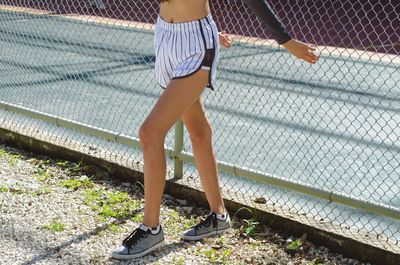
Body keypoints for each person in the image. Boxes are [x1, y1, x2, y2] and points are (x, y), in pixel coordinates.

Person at [111, 0, 319, 260]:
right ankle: (219, 215)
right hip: (166, 36)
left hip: (196, 45)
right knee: (199, 131)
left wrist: (285, 40)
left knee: (150, 133)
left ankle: (151, 228)